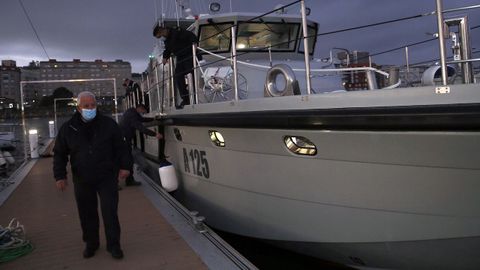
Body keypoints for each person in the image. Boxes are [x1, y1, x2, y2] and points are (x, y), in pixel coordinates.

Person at [53, 91, 131, 260]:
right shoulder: (68, 128)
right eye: (86, 106)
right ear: (79, 108)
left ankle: (114, 245)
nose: (90, 108)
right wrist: (60, 176)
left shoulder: (109, 124)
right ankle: (91, 244)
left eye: (93, 105)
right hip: (82, 178)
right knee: (87, 213)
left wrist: (125, 166)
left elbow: (121, 147)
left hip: (107, 176)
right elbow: (59, 153)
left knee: (109, 212)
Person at [153, 24, 200, 108]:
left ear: (162, 31)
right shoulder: (167, 40)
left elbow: (190, 35)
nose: (161, 38)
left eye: (160, 36)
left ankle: (195, 96)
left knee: (191, 74)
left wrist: (194, 43)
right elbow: (168, 49)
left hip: (188, 54)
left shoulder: (177, 31)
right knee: (178, 76)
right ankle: (186, 99)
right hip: (180, 57)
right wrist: (165, 57)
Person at [119, 104, 163, 186]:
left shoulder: (132, 112)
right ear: (140, 109)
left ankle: (129, 180)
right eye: (143, 111)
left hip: (124, 139)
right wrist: (155, 134)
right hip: (123, 140)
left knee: (127, 160)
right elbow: (140, 127)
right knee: (126, 160)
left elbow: (142, 119)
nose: (143, 113)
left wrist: (153, 119)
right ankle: (125, 181)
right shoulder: (132, 115)